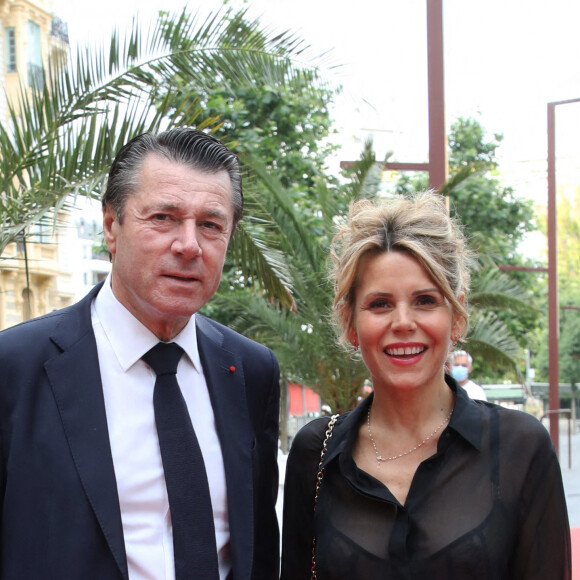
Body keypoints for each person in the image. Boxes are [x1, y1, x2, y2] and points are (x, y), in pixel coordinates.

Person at [0, 128, 281, 579]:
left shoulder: (250, 371)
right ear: (111, 226)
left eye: (210, 225)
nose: (189, 245)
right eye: (164, 217)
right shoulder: (15, 369)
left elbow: (261, 549)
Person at [281, 191, 570, 579]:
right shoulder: (315, 453)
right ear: (351, 323)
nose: (402, 322)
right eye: (380, 303)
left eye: (425, 300)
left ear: (457, 317)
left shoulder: (521, 447)